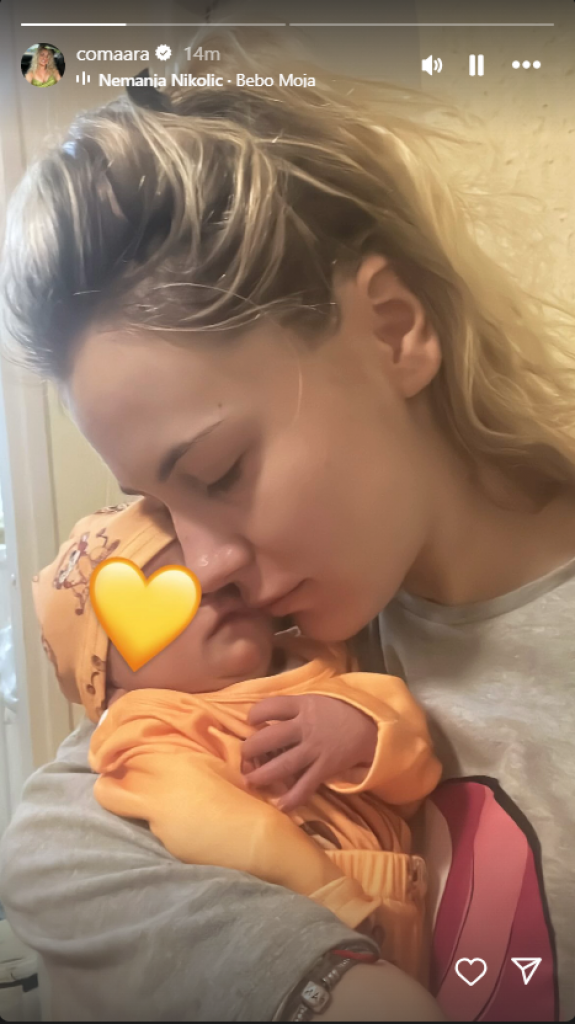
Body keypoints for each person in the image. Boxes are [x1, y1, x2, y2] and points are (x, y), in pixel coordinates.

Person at [1, 28, 574, 1021]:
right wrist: (307, 974)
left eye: (218, 472)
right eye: (162, 508)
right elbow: (61, 828)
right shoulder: (273, 649)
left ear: (392, 330)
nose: (203, 565)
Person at [33, 500, 442, 982]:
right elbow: (219, 828)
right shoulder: (151, 730)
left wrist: (365, 735)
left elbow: (418, 775)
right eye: (168, 589)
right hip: (311, 919)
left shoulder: (321, 661)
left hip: (410, 910)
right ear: (109, 685)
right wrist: (330, 897)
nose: (210, 588)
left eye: (218, 577)